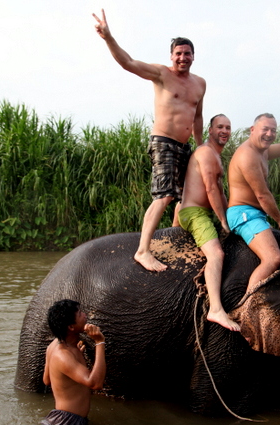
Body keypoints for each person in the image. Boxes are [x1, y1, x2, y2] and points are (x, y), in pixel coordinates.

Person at [93, 9, 206, 272]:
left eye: (187, 53)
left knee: (187, 196)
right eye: (178, 53)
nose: (183, 57)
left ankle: (176, 238)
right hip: (164, 141)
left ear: (193, 56)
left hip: (186, 146)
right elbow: (128, 62)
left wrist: (201, 148)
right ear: (171, 56)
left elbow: (198, 116)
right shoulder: (161, 74)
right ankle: (143, 251)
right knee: (164, 195)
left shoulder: (200, 83)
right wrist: (108, 37)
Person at [227, 111, 280, 292]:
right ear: (252, 129)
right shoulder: (247, 155)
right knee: (273, 258)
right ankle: (247, 303)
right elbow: (262, 195)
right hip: (244, 213)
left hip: (255, 214)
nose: (269, 134)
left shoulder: (262, 151)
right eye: (265, 129)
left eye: (273, 130)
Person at [177, 114, 240, 332]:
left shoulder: (216, 155)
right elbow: (211, 188)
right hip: (195, 213)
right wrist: (222, 221)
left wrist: (230, 216)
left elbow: (220, 193)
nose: (225, 131)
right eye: (220, 127)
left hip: (202, 212)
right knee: (216, 254)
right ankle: (215, 309)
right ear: (210, 130)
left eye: (228, 127)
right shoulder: (205, 152)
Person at [41, 299, 106, 425]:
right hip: (68, 422)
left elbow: (47, 380)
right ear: (71, 327)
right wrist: (99, 342)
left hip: (60, 419)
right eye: (80, 313)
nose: (85, 315)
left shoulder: (53, 345)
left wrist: (71, 366)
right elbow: (95, 384)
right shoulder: (63, 355)